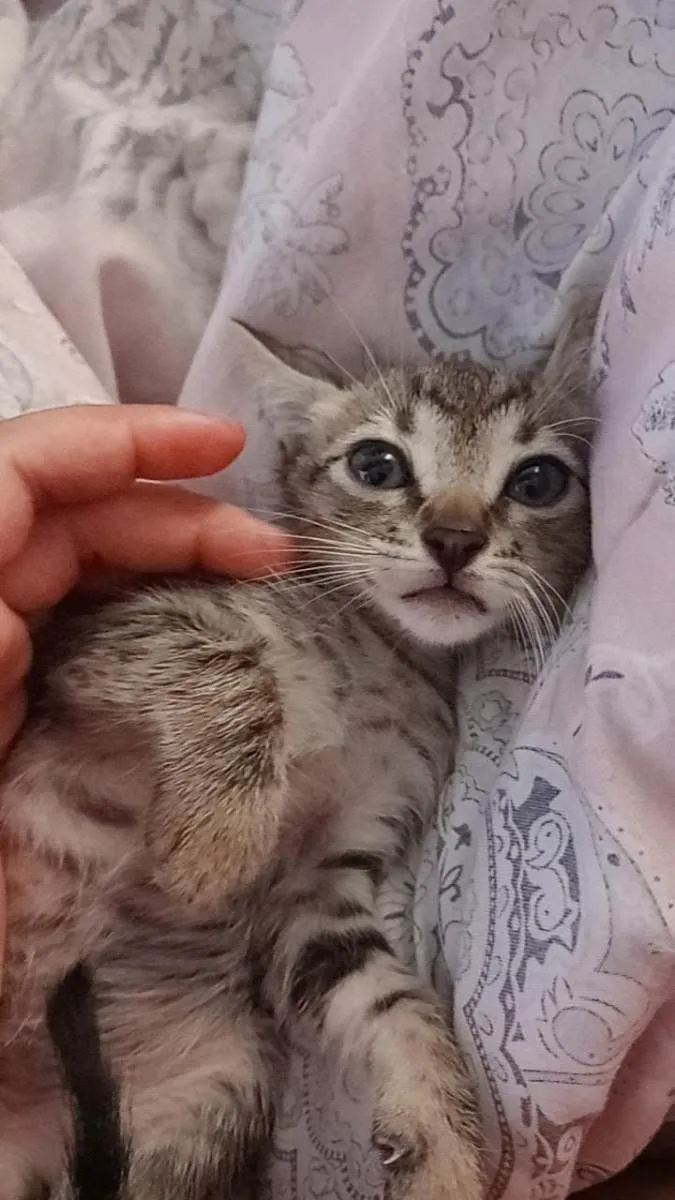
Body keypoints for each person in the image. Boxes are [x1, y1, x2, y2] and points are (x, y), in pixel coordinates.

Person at [2, 2, 675, 1197]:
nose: (457, 531)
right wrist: (234, 732)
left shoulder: (430, 735)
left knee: (219, 1104)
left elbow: (323, 920)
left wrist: (426, 1086)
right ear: (300, 481)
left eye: (533, 484)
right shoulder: (270, 595)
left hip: (161, 1010)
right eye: (381, 468)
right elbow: (116, 671)